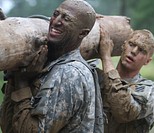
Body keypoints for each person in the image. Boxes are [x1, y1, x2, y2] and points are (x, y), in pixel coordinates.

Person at [0, 0, 103, 133]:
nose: (55, 21)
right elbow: (9, 127)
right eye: (55, 14)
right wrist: (15, 75)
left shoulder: (70, 73)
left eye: (66, 19)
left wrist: (22, 83)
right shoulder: (47, 65)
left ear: (83, 33)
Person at [96, 27, 154, 133]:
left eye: (142, 50)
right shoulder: (96, 77)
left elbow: (124, 111)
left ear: (147, 61)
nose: (134, 51)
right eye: (131, 44)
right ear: (123, 46)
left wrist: (106, 57)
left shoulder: (152, 91)